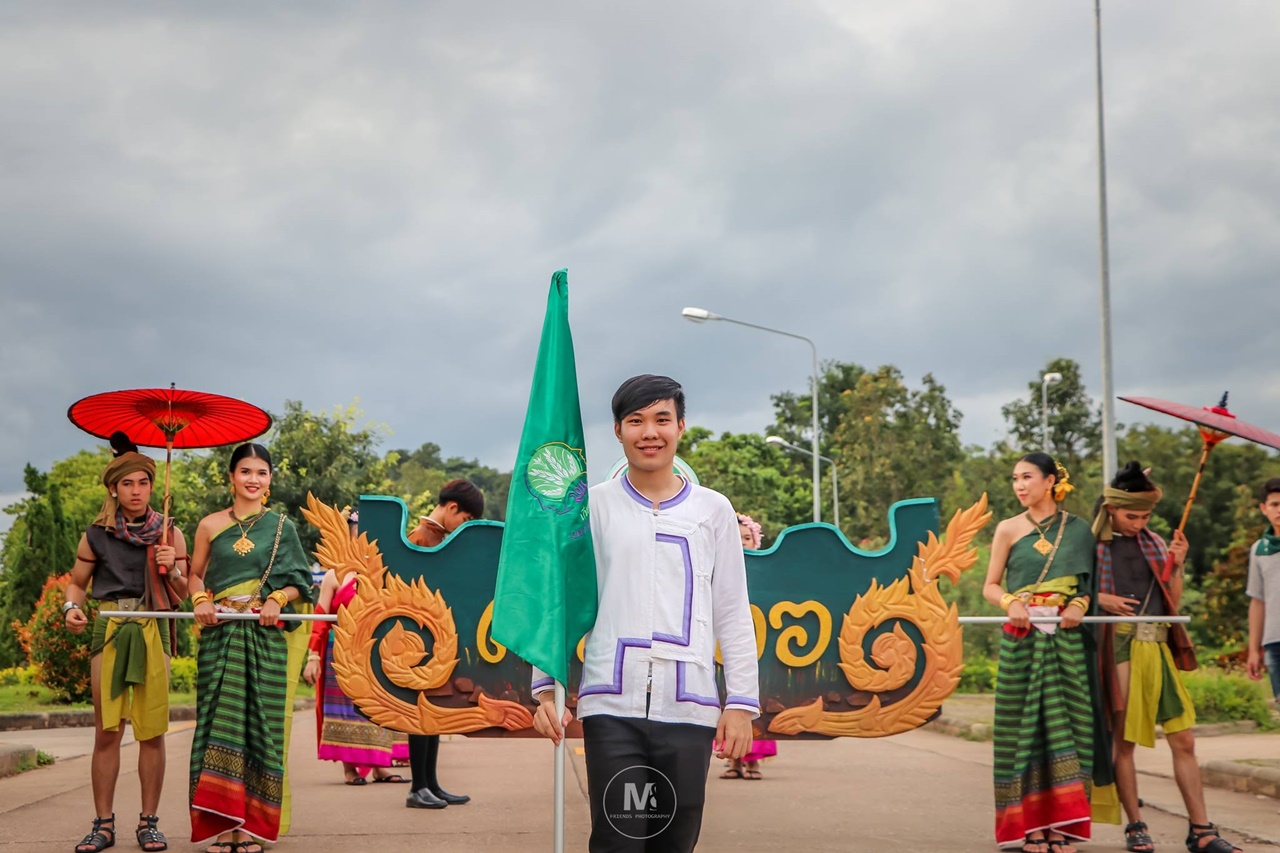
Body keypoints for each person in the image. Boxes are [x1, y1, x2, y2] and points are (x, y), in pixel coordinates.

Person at [530, 374, 760, 852]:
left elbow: (733, 611)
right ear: (618, 431)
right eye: (636, 421)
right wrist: (544, 688)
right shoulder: (591, 507)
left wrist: (739, 703)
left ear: (680, 426)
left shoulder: (712, 510)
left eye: (661, 420)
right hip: (612, 706)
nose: (649, 432)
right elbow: (560, 601)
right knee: (619, 841)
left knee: (674, 841)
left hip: (690, 705)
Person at [1094, 461, 1241, 853]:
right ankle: (1135, 824)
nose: (1138, 523)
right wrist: (1099, 599)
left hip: (1156, 645)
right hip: (1119, 644)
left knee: (1184, 739)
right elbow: (1071, 596)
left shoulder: (1157, 543)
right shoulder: (1091, 545)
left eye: (1145, 516)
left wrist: (1177, 562)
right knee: (1124, 741)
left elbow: (1170, 601)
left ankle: (1202, 830)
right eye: (1131, 515)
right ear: (1111, 509)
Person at [186, 443, 315, 853]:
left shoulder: (282, 527)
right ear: (231, 476)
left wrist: (278, 598)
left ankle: (252, 828)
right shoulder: (208, 525)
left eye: (261, 472)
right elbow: (194, 575)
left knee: (261, 729)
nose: (253, 480)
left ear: (270, 479)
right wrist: (200, 600)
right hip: (220, 638)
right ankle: (221, 826)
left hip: (265, 641)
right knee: (218, 727)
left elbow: (301, 582)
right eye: (245, 471)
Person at [64, 432, 188, 853]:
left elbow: (186, 592)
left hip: (152, 628)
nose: (136, 491)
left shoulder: (169, 532)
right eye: (128, 484)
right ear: (114, 488)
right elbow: (77, 585)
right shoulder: (96, 534)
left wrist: (172, 569)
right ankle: (102, 825)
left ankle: (148, 823)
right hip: (112, 627)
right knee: (107, 732)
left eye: (143, 482)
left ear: (153, 486)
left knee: (151, 732)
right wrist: (70, 609)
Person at [983, 452, 1104, 853]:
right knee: (1023, 730)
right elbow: (991, 585)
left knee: (1069, 726)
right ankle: (1029, 828)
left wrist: (1077, 607)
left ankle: (1061, 826)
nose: (1019, 485)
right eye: (1015, 479)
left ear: (1050, 480)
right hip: (1021, 641)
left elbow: (1087, 589)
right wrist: (1010, 605)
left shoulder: (1080, 530)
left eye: (1027, 477)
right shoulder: (1006, 529)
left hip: (1065, 644)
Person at [303, 508, 410, 786]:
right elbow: (320, 617)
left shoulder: (386, 571)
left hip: (377, 652)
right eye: (357, 528)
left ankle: (381, 767)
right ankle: (349, 768)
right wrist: (313, 656)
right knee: (346, 710)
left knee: (379, 708)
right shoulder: (335, 574)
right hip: (342, 653)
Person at [403, 478, 486, 809]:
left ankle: (431, 783)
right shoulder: (421, 539)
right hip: (419, 641)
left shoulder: (438, 538)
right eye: (465, 520)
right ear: (452, 508)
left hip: (437, 639)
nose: (462, 528)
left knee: (433, 714)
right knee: (419, 713)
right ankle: (417, 787)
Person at [720, 513, 775, 782]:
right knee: (729, 703)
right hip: (730, 647)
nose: (741, 543)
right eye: (736, 538)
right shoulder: (722, 568)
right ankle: (732, 760)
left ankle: (754, 762)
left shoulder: (766, 570)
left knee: (758, 704)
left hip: (763, 646)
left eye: (746, 538)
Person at [1247, 478, 1280, 700]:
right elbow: (1258, 601)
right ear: (1264, 508)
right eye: (1275, 504)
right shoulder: (1259, 549)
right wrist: (1253, 649)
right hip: (1274, 640)